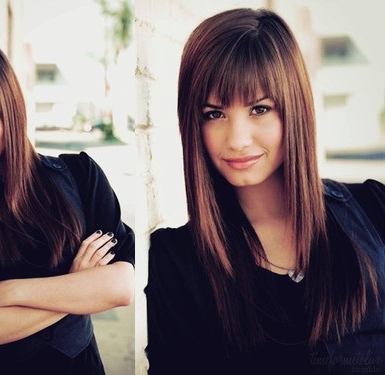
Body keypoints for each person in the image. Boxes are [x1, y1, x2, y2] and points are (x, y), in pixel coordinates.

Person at [145, 8, 384, 375]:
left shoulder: (373, 209)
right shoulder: (178, 262)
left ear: (294, 110)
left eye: (259, 108)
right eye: (214, 113)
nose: (238, 140)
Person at [0, 41, 134, 375]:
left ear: (10, 108)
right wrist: (77, 287)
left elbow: (119, 288)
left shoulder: (81, 176)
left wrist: (8, 292)